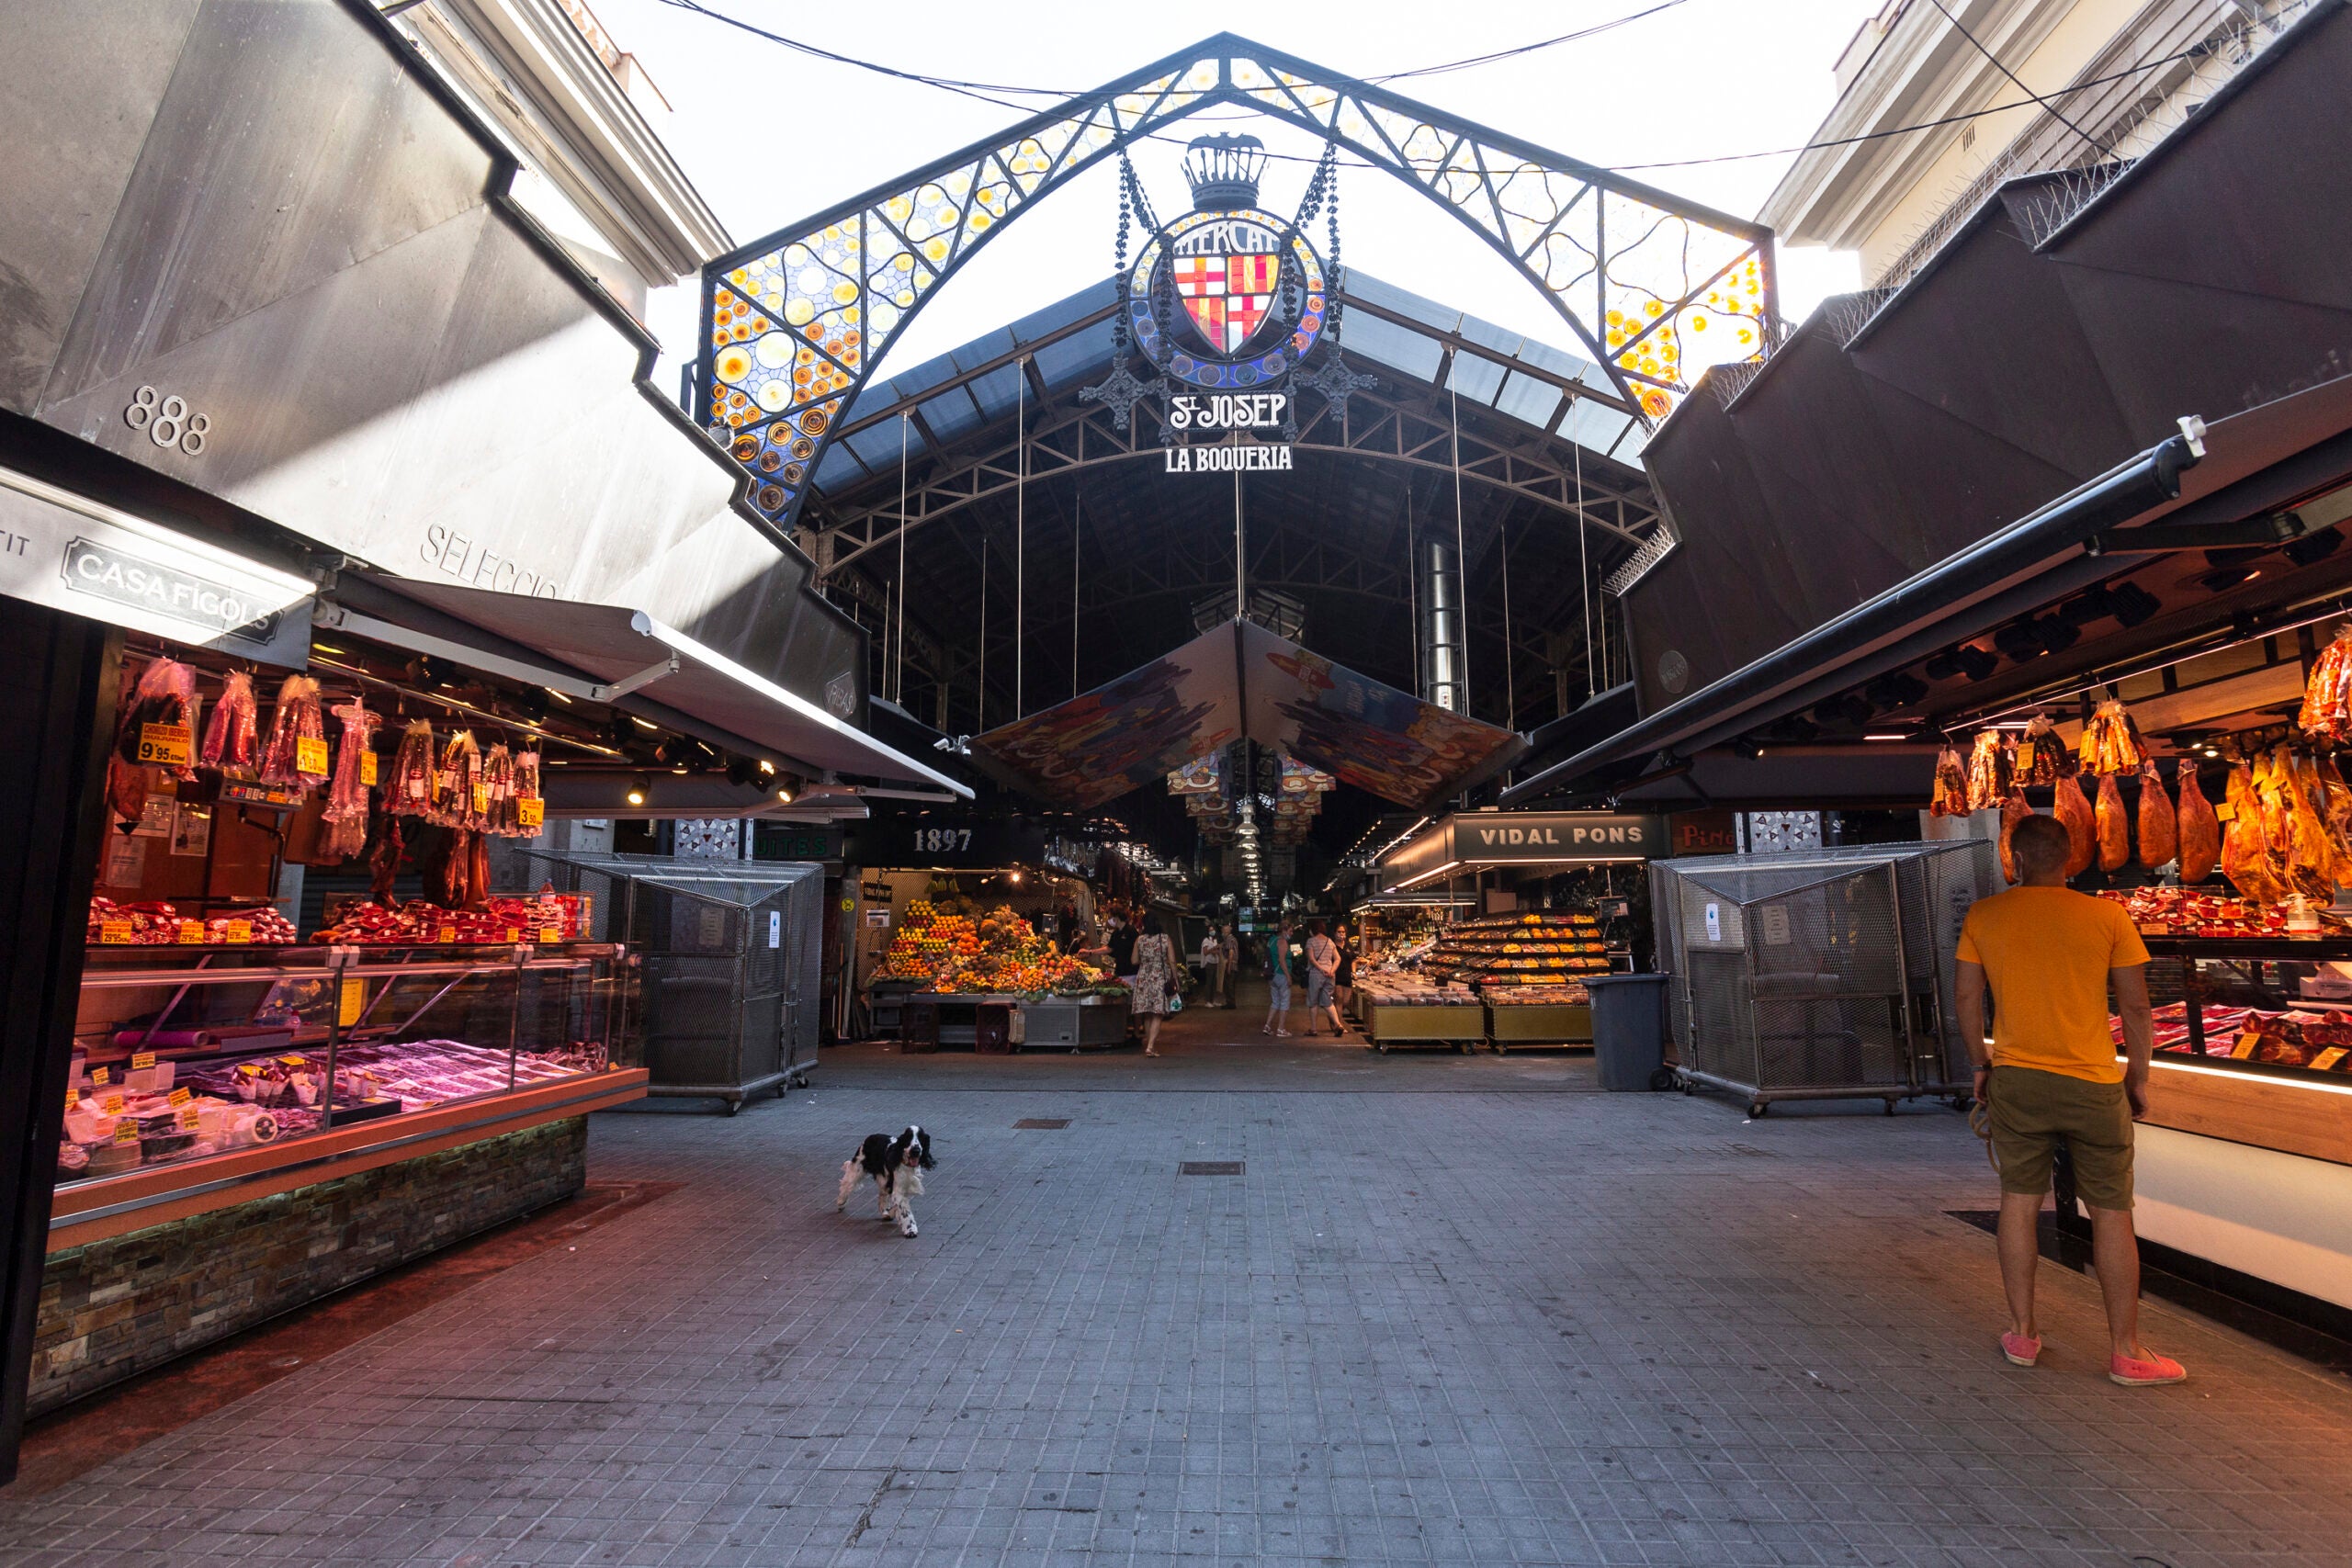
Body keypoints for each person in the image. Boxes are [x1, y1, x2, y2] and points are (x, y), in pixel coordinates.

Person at [1954, 813, 2183, 1386]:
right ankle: (2127, 1351)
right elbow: (2135, 1007)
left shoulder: (1985, 915)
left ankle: (2024, 1333)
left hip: (2018, 1081)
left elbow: (1964, 997)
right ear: (2070, 856)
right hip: (2094, 1082)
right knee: (2112, 1214)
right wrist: (2138, 1076)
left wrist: (1980, 1066)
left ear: (2017, 858)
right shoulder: (2108, 915)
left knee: (2019, 1203)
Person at [1131, 911, 1177, 1056]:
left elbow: (1134, 961)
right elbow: (1172, 961)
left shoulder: (1139, 940)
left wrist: (1146, 960)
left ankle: (1149, 1045)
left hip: (1144, 977)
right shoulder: (1165, 939)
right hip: (1159, 978)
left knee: (1148, 1014)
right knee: (1158, 1013)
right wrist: (1175, 978)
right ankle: (1150, 1046)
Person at [1303, 920, 1344, 1037]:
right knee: (1327, 1001)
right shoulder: (1329, 941)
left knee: (1313, 1002)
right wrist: (1331, 970)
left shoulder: (1311, 941)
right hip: (1330, 975)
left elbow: (1311, 959)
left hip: (1316, 974)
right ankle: (1338, 1024)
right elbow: (1338, 959)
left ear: (1313, 929)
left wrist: (1322, 969)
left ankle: (1314, 1029)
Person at [1261, 918, 1295, 1037]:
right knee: (1285, 1002)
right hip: (1281, 975)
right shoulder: (1282, 942)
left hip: (1272, 976)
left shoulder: (1271, 940)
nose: (1292, 934)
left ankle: (1267, 1026)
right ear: (1284, 930)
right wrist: (1288, 976)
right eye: (1290, 931)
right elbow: (1282, 960)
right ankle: (1281, 1029)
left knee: (1275, 1002)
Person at [1200, 925, 1227, 1012]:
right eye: (1210, 930)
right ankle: (1207, 1001)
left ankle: (1212, 1000)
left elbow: (1216, 951)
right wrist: (1214, 948)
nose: (1212, 931)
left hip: (1215, 962)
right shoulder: (1206, 940)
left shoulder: (1214, 940)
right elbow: (1205, 952)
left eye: (1213, 930)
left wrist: (1218, 950)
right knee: (1209, 982)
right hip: (1209, 963)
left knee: (1214, 982)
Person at [1333, 923, 1356, 1019]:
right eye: (1339, 932)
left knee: (1346, 1002)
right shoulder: (1332, 946)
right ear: (1335, 933)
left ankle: (1333, 1016)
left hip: (1347, 977)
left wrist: (1354, 972)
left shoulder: (1348, 945)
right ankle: (1340, 1024)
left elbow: (1353, 960)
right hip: (1336, 977)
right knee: (1339, 999)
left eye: (1343, 932)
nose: (1341, 934)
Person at [1107, 910, 1138, 981]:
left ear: (1117, 917)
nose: (1109, 920)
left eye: (1110, 917)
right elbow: (1109, 948)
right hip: (1119, 971)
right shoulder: (1116, 933)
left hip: (1131, 973)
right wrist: (1091, 952)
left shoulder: (1131, 931)